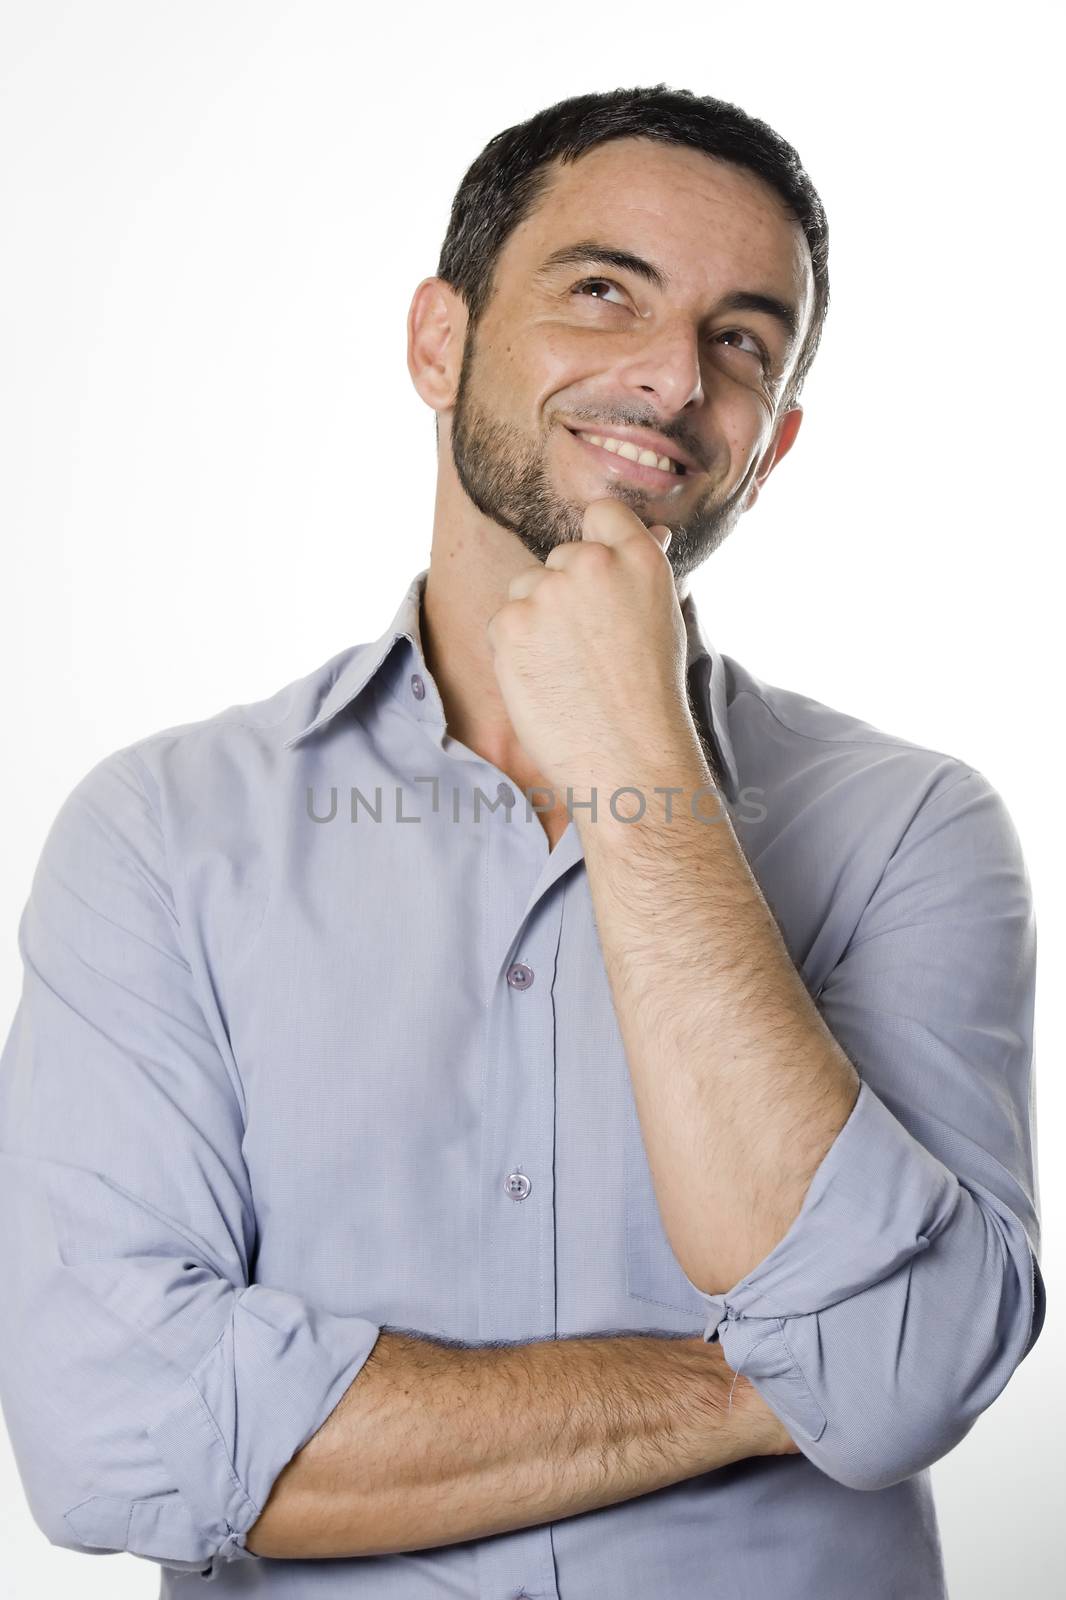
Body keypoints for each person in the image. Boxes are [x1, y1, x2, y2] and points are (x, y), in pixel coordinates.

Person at [0, 84, 1044, 1598]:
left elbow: (895, 1383)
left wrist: (635, 755)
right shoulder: (163, 834)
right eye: (601, 290)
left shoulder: (909, 831)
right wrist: (749, 1392)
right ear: (440, 340)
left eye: (740, 339)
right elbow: (111, 1431)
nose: (671, 376)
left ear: (775, 442)